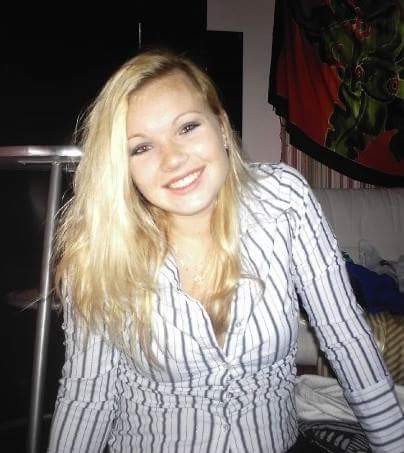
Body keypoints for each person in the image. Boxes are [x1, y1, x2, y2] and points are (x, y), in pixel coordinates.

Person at [47, 49, 404, 452]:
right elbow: (87, 397)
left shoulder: (284, 201)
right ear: (122, 167)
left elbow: (347, 336)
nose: (173, 159)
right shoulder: (102, 250)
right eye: (141, 148)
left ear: (220, 125)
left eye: (187, 127)